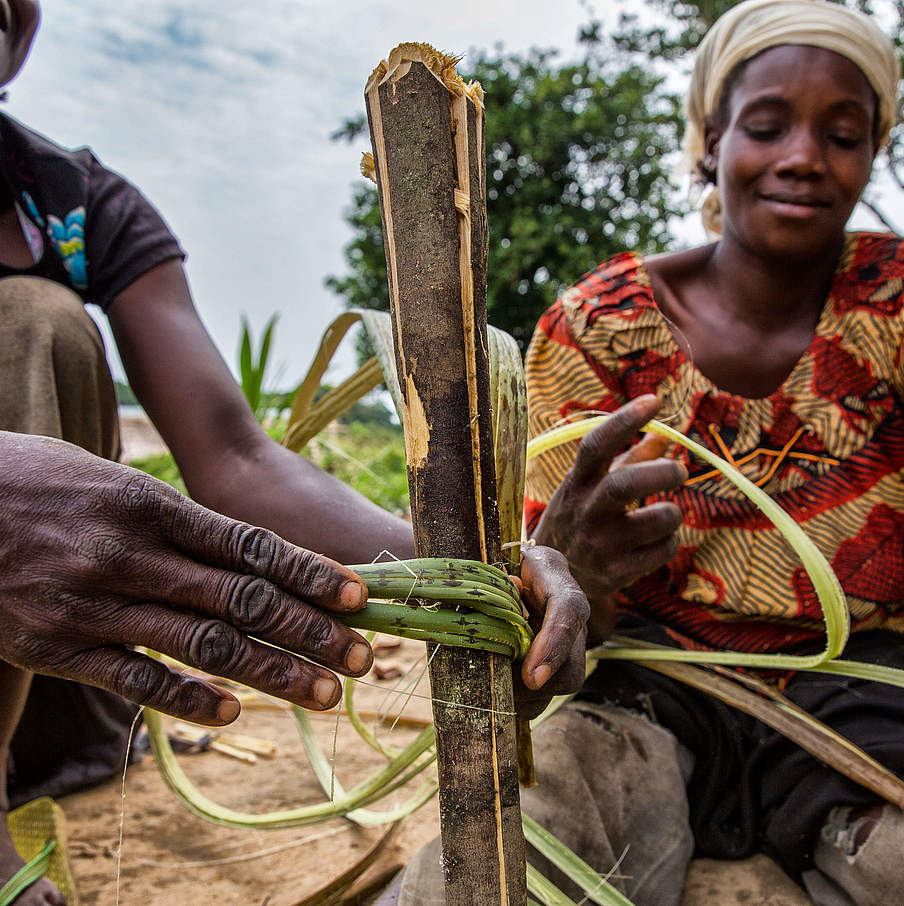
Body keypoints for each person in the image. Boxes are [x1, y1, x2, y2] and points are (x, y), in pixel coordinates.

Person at [388, 1, 904, 904]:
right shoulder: (597, 327)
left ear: (871, 152)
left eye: (844, 133)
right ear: (708, 141)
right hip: (651, 669)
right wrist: (578, 570)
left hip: (869, 674)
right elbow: (562, 588)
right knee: (515, 854)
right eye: (767, 125)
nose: (804, 157)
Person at [0, 3, 590, 905]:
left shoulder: (69, 204)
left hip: (37, 677)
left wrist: (469, 578)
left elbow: (234, 458)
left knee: (42, 327)